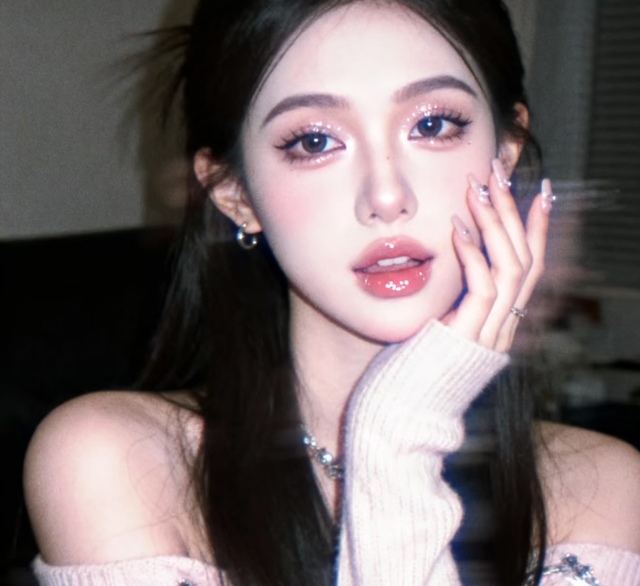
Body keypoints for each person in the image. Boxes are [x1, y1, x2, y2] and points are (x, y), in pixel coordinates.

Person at [23, 1, 640, 584]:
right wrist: (395, 436)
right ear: (234, 193)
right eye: (314, 142)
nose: (387, 197)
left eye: (432, 125)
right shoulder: (114, 462)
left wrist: (402, 432)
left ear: (504, 155)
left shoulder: (602, 492)